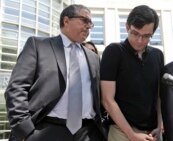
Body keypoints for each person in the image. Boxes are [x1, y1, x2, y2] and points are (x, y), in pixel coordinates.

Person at [4, 4, 106, 141]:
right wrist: (26, 130)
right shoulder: (38, 46)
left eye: (90, 23)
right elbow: (16, 88)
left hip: (87, 132)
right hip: (46, 131)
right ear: (66, 20)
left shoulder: (93, 57)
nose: (88, 26)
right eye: (84, 20)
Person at [100, 5, 164, 141]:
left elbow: (158, 96)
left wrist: (160, 124)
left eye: (146, 36)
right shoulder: (114, 51)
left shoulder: (158, 55)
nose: (140, 40)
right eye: (135, 33)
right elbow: (107, 100)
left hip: (152, 132)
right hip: (121, 131)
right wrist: (131, 135)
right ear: (127, 26)